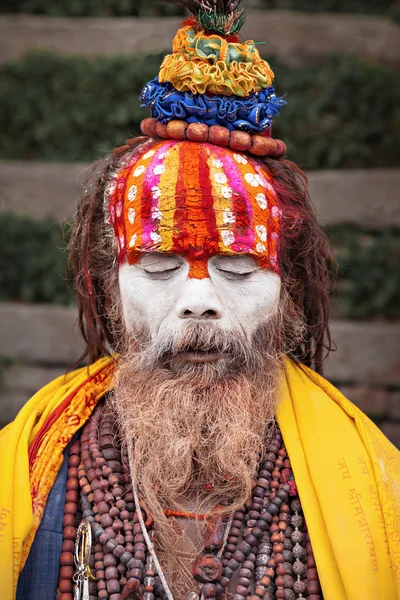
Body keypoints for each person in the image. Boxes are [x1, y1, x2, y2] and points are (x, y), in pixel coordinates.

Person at [1, 1, 399, 599]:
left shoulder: (368, 476)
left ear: (288, 292)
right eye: (158, 267)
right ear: (110, 288)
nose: (198, 301)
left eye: (238, 270)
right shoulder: (28, 466)